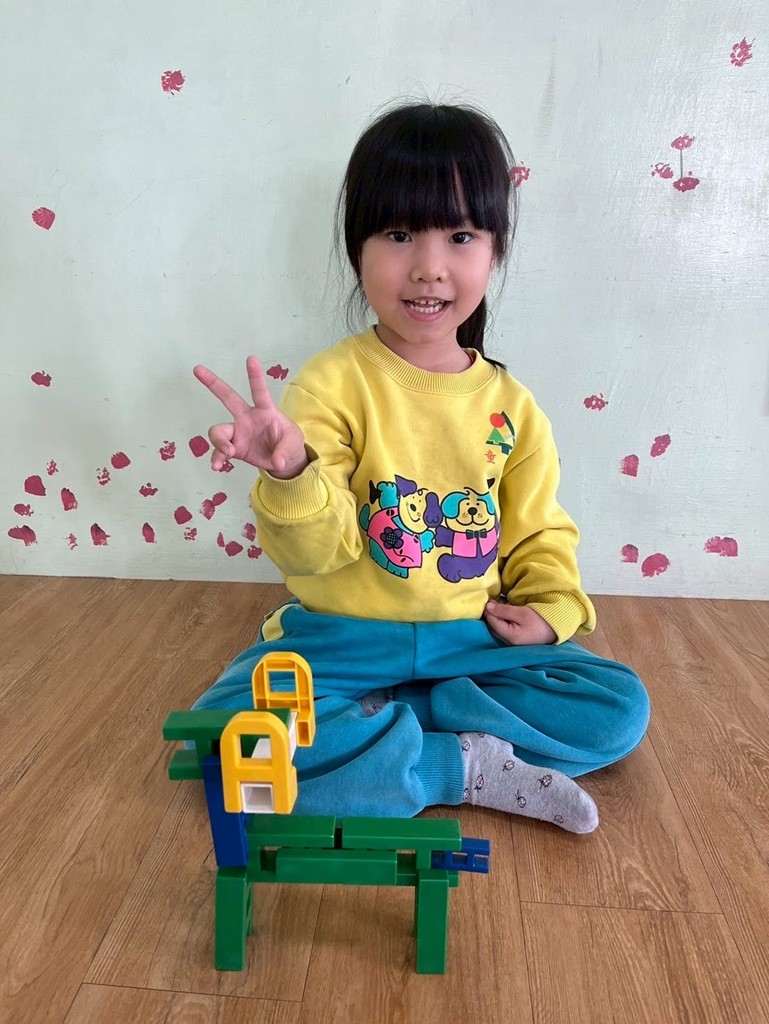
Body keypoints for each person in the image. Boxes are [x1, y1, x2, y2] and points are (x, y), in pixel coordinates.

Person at [190, 97, 650, 833]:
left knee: (618, 708)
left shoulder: (512, 408)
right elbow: (316, 552)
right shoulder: (330, 385)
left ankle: (385, 727)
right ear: (358, 249)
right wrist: (291, 474)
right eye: (399, 234)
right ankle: (459, 764)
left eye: (460, 236)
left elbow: (538, 534)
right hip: (340, 639)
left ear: (494, 252)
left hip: (470, 646)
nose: (429, 268)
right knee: (220, 740)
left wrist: (550, 611)